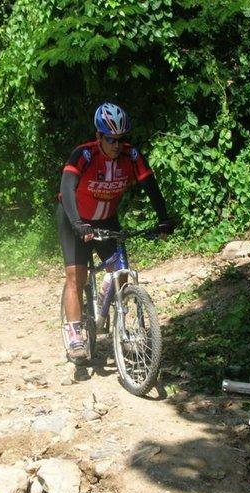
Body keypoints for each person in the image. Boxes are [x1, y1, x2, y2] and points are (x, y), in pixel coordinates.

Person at [57, 102, 174, 359]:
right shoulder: (84, 154)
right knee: (75, 276)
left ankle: (122, 325)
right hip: (73, 218)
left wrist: (164, 218)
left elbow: (151, 187)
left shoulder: (131, 156)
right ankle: (75, 333)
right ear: (99, 136)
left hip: (107, 220)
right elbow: (66, 189)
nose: (116, 145)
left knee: (120, 272)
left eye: (121, 139)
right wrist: (78, 224)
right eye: (110, 139)